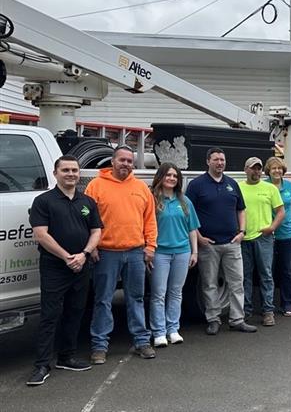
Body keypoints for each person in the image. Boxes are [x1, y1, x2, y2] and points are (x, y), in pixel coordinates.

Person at [26, 156, 102, 386]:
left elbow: (96, 231)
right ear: (55, 173)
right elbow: (41, 234)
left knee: (75, 311)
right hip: (55, 266)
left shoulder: (87, 201)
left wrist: (84, 254)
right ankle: (42, 365)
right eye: (66, 170)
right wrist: (67, 257)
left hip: (82, 264)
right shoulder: (44, 201)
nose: (71, 174)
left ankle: (66, 356)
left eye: (75, 170)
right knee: (50, 316)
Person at [86, 145, 158, 363]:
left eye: (129, 161)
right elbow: (87, 221)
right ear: (113, 161)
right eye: (122, 160)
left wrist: (150, 246)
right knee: (103, 300)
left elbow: (150, 220)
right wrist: (93, 247)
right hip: (106, 253)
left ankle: (141, 341)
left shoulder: (141, 188)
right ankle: (99, 346)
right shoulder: (95, 186)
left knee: (136, 298)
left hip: (136, 252)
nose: (126, 164)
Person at [186, 147, 257, 335]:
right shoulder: (196, 185)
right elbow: (188, 213)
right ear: (208, 161)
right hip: (208, 245)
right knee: (209, 284)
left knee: (236, 283)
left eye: (222, 160)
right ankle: (213, 319)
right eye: (216, 159)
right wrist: (199, 237)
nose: (220, 163)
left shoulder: (232, 184)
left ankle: (237, 319)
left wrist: (242, 232)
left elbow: (241, 209)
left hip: (232, 243)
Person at [149, 163, 200, 348]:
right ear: (160, 177)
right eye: (168, 175)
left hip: (182, 252)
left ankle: (173, 329)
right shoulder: (152, 200)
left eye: (175, 176)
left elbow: (192, 229)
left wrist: (194, 251)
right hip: (160, 253)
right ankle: (159, 332)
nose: (171, 178)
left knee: (176, 292)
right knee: (158, 294)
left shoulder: (185, 201)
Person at [239, 157, 285, 326]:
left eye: (258, 169)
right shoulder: (238, 187)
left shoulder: (270, 188)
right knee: (245, 277)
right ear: (246, 170)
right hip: (244, 238)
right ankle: (246, 311)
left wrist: (272, 227)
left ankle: (268, 311)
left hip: (264, 238)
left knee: (266, 275)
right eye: (253, 168)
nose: (256, 171)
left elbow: (281, 212)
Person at [266, 157, 291, 317]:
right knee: (268, 271)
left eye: (279, 168)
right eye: (273, 168)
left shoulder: (290, 186)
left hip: (287, 233)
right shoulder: (264, 186)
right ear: (268, 170)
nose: (277, 171)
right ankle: (268, 305)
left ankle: (287, 304)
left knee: (286, 271)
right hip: (268, 235)